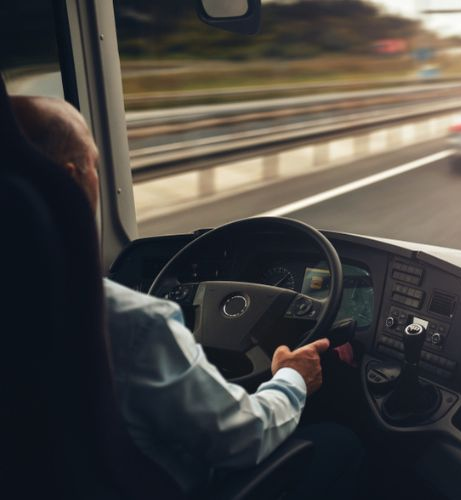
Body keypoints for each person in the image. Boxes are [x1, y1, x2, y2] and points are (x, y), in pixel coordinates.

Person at [10, 95, 361, 498]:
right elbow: (244, 437)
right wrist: (292, 377)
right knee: (340, 442)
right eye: (95, 164)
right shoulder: (132, 322)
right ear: (72, 180)